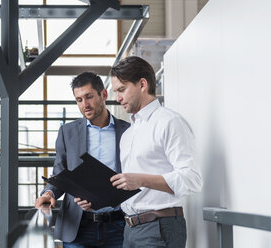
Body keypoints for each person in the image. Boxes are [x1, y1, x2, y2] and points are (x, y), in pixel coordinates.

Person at [109, 56, 203, 248]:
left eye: (121, 90)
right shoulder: (128, 134)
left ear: (142, 84)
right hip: (130, 229)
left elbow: (192, 179)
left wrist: (142, 180)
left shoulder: (170, 122)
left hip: (160, 228)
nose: (118, 98)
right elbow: (132, 186)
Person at [35, 72, 130, 247]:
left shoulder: (128, 131)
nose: (84, 104)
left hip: (118, 226)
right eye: (79, 100)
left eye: (89, 97)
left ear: (103, 94)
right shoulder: (67, 132)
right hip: (79, 227)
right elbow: (60, 173)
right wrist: (48, 194)